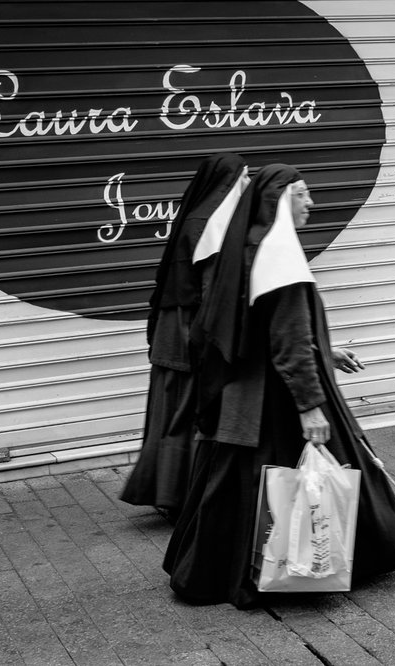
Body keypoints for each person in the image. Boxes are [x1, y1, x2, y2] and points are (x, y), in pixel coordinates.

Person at [162, 164, 395, 608]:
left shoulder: (242, 251)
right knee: (312, 475)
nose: (311, 202)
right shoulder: (280, 254)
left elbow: (250, 329)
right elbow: (289, 340)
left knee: (237, 485)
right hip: (282, 399)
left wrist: (323, 350)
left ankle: (214, 571)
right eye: (302, 193)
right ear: (280, 200)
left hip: (242, 401)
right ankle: (321, 561)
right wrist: (310, 406)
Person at [120, 153, 249, 521]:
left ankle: (168, 493)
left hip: (172, 331)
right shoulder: (210, 222)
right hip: (186, 334)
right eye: (243, 177)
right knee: (185, 411)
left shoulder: (198, 216)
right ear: (228, 182)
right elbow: (211, 289)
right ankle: (177, 496)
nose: (247, 185)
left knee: (171, 412)